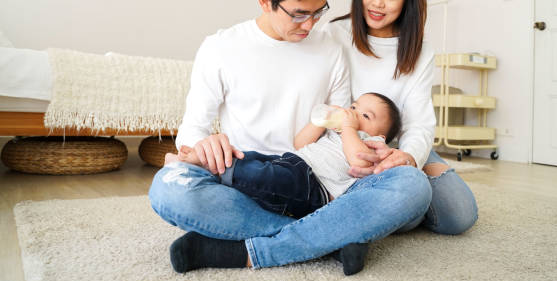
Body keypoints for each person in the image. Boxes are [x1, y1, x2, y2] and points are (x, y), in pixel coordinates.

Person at [148, 0, 432, 276]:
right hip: (244, 182)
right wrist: (201, 147)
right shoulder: (221, 47)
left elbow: (338, 126)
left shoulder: (330, 47)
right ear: (265, 1)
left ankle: (260, 248)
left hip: (322, 185)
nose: (311, 24)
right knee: (168, 187)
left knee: (413, 186)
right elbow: (193, 128)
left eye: (319, 11)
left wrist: (364, 146)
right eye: (299, 14)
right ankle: (335, 237)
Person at [325, 0, 478, 239]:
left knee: (458, 214)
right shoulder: (334, 35)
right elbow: (331, 112)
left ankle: (390, 206)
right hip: (348, 144)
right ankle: (396, 206)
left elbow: (419, 122)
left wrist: (407, 157)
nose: (377, 3)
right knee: (405, 205)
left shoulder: (420, 52)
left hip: (399, 144)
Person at [165, 92, 401, 219]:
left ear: (382, 135)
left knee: (260, 176)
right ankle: (206, 158)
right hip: (293, 162)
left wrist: (350, 128)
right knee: (252, 157)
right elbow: (300, 143)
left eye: (366, 116)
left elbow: (358, 159)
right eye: (353, 106)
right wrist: (319, 122)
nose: (354, 114)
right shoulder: (338, 132)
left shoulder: (373, 144)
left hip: (313, 186)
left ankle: (207, 166)